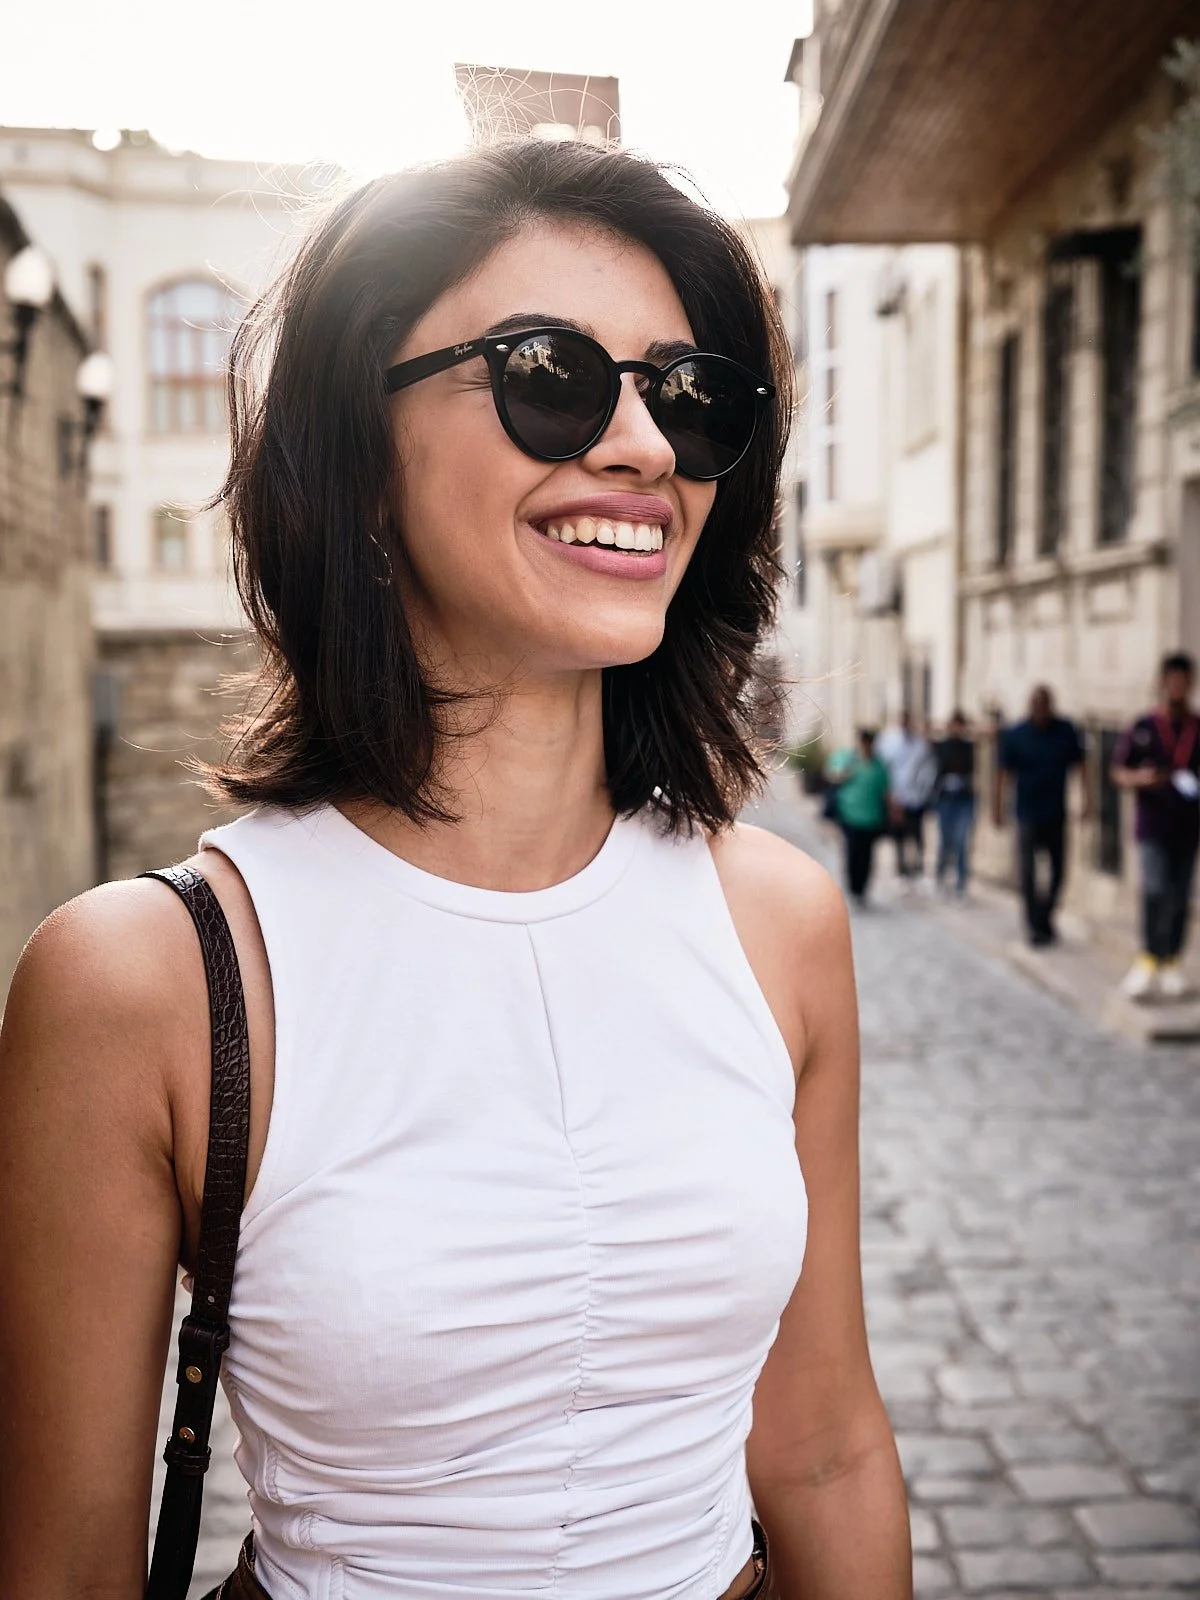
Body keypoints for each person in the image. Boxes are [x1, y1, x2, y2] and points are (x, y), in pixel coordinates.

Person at [0, 143, 911, 1600]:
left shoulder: (780, 924)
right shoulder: (144, 984)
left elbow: (823, 1450)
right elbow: (63, 1569)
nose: (643, 449)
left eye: (690, 396)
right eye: (551, 375)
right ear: (357, 447)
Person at [1112, 652, 1200, 1000]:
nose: (1178, 686)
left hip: (1188, 826)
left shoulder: (1196, 727)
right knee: (1154, 890)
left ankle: (1172, 961)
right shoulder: (1144, 726)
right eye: (1172, 679)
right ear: (1163, 682)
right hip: (1152, 824)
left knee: (1179, 895)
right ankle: (1149, 958)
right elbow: (1118, 771)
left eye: (1184, 680)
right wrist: (1141, 778)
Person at [995, 685, 1090, 946]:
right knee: (1027, 873)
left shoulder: (1065, 731)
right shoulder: (1016, 735)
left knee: (1058, 872)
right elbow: (1002, 773)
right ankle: (1034, 926)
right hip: (1026, 813)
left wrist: (1086, 800)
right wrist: (998, 808)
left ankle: (1045, 917)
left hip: (1056, 813)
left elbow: (1081, 765)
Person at [826, 728, 891, 906]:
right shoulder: (849, 760)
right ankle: (854, 888)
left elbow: (885, 791)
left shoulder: (878, 766)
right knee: (853, 852)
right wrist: (846, 772)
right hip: (850, 815)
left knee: (867, 854)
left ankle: (862, 888)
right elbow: (833, 776)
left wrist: (891, 813)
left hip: (871, 817)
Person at [876, 710, 937, 886]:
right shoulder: (889, 741)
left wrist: (924, 791)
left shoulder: (919, 743)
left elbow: (926, 768)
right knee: (899, 835)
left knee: (917, 832)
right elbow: (885, 768)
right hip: (897, 796)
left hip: (916, 797)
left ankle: (917, 867)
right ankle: (901, 868)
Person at [933, 710, 976, 898]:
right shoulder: (942, 746)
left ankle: (961, 882)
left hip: (963, 798)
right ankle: (941, 876)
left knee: (961, 841)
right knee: (945, 840)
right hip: (946, 798)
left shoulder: (969, 747)